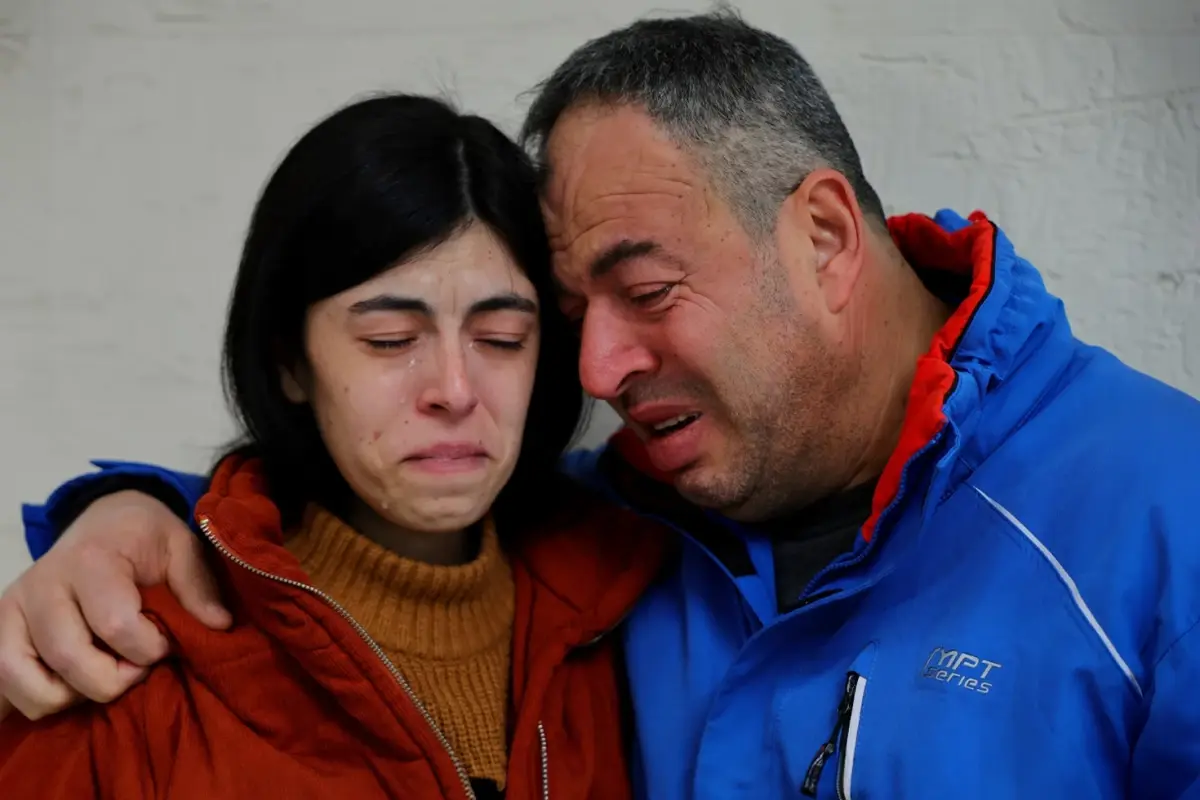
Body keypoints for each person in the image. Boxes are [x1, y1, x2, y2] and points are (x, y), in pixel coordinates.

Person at [5, 9, 1200, 799]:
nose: (596, 370)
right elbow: (348, 543)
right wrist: (128, 514)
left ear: (826, 236)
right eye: (573, 315)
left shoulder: (1161, 515)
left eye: (648, 290)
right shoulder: (622, 522)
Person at [0, 91, 669, 799]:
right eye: (390, 340)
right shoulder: (120, 659)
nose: (454, 389)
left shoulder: (623, 615)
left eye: (501, 339)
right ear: (290, 362)